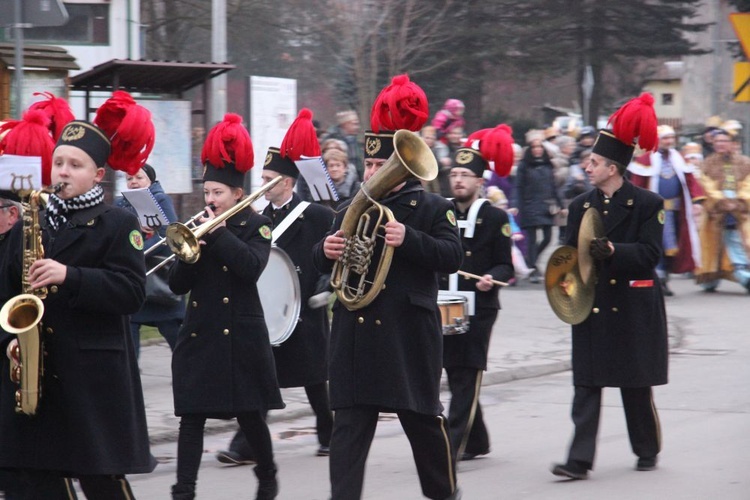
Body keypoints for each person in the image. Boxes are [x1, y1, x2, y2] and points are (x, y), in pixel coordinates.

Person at [313, 74, 463, 500]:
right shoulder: (347, 209)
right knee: (348, 428)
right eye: (371, 165)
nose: (373, 173)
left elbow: (452, 256)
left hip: (406, 334)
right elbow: (315, 261)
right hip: (355, 334)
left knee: (422, 423)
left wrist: (409, 239)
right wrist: (326, 249)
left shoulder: (433, 208)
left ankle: (444, 494)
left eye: (382, 166)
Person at [0, 92, 157, 498]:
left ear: (98, 175)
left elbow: (131, 292)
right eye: (59, 163)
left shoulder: (117, 222)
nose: (63, 172)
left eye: (75, 165)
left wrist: (70, 276)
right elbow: (7, 293)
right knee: (36, 476)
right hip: (40, 376)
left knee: (100, 481)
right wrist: (10, 344)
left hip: (93, 377)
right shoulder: (29, 222)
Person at [551, 93, 668, 480]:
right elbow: (567, 253)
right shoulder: (580, 206)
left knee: (635, 387)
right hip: (592, 304)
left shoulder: (648, 204)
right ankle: (578, 460)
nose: (587, 166)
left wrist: (615, 249)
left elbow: (651, 254)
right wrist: (562, 282)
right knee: (586, 385)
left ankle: (646, 448)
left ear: (614, 168)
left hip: (631, 305)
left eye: (595, 162)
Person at [169, 113, 284, 500]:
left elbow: (250, 268)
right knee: (191, 417)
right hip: (201, 332)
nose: (210, 201)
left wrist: (218, 236)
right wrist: (189, 255)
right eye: (207, 193)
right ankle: (184, 490)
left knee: (251, 416)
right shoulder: (199, 225)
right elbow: (175, 285)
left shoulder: (257, 226)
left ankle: (267, 475)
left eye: (218, 193)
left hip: (241, 336)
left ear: (237, 193)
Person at [217, 110, 335, 465]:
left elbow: (328, 255)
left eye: (269, 179)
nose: (263, 184)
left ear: (287, 182)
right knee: (263, 378)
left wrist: (323, 287)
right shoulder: (260, 218)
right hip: (271, 308)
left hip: (306, 304)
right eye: (263, 177)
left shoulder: (315, 215)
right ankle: (246, 445)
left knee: (315, 379)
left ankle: (329, 432)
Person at [439, 135, 514, 463]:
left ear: (479, 182)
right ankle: (477, 440)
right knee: (455, 370)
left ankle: (451, 446)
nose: (457, 180)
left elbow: (506, 264)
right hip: (446, 302)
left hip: (480, 306)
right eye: (454, 174)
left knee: (467, 369)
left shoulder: (496, 218)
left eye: (464, 175)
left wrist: (491, 278)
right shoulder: (441, 211)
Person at [628, 125, 705, 296]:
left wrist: (696, 201)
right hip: (653, 212)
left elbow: (690, 181)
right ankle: (659, 278)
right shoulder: (645, 160)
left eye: (671, 138)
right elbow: (636, 185)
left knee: (674, 247)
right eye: (665, 138)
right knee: (658, 245)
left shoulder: (679, 159)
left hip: (677, 212)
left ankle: (664, 279)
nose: (669, 142)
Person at [115, 164, 183, 356]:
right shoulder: (121, 204)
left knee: (175, 338)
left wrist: (137, 250)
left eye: (139, 177)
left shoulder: (160, 199)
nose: (134, 182)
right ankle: (131, 382)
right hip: (136, 281)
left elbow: (169, 236)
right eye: (129, 178)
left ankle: (190, 376)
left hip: (159, 281)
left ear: (150, 180)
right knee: (130, 339)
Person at [694, 129, 750, 294]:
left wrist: (739, 200)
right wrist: (721, 201)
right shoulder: (707, 163)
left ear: (732, 144)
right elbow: (705, 185)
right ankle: (710, 278)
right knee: (713, 243)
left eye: (724, 141)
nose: (720, 144)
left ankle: (743, 274)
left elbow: (748, 183)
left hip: (740, 209)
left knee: (737, 240)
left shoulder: (745, 162)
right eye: (717, 141)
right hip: (715, 210)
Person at [512, 130, 563, 283]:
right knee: (532, 239)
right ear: (530, 149)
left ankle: (531, 260)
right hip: (529, 205)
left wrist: (560, 204)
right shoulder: (524, 166)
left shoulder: (548, 165)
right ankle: (533, 268)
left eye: (539, 147)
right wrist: (516, 204)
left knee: (548, 238)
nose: (537, 150)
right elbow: (518, 186)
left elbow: (553, 187)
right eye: (534, 147)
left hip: (545, 205)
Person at [325, 110, 363, 179]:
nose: (357, 127)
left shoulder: (354, 141)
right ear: (346, 124)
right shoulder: (332, 139)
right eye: (354, 124)